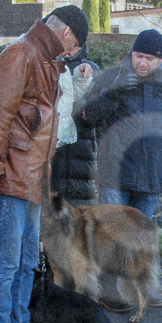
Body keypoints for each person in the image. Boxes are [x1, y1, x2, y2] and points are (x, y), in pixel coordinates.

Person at [0, 5, 89, 323]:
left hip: (32, 174)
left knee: (25, 262)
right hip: (14, 173)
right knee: (8, 262)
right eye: (75, 46)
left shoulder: (41, 56)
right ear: (67, 33)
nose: (73, 54)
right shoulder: (23, 53)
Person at [81, 29, 162, 312]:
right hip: (114, 169)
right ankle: (107, 289)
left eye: (149, 59)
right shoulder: (111, 77)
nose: (142, 63)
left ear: (161, 60)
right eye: (138, 56)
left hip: (151, 170)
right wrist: (115, 89)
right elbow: (89, 115)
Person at [50, 43, 98, 205]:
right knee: (52, 210)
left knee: (80, 213)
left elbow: (100, 109)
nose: (70, 49)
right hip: (52, 150)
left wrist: (91, 114)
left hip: (81, 151)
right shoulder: (45, 67)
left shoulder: (91, 70)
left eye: (76, 45)